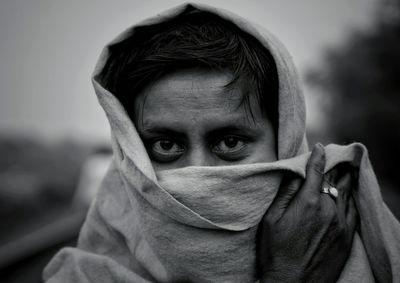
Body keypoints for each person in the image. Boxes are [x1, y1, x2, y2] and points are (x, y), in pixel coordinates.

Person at [43, 3, 400, 282]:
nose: (198, 171)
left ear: (285, 142)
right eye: (165, 146)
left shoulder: (364, 243)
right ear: (131, 152)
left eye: (230, 142)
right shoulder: (86, 275)